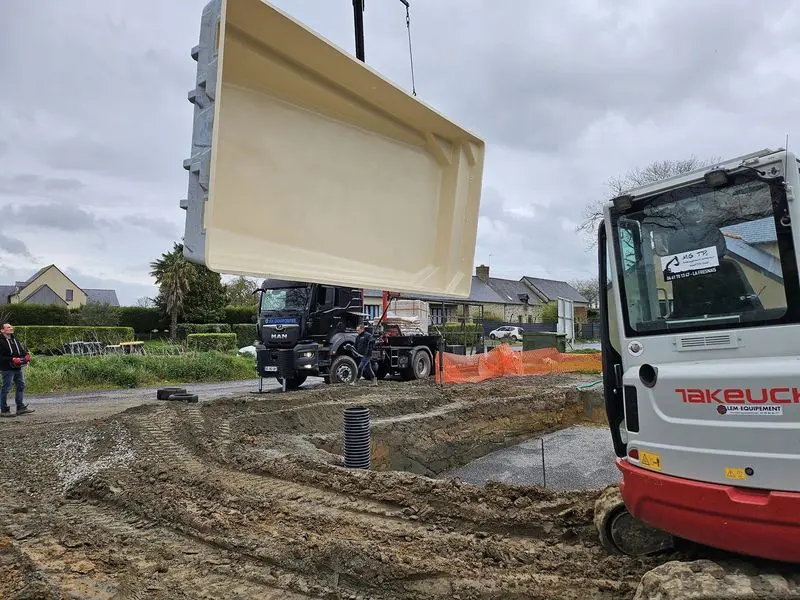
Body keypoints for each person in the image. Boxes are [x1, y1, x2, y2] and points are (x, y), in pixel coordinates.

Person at [0, 323, 33, 417]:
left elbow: (21, 351)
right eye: (8, 327)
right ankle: (4, 410)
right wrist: (12, 359)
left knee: (21, 385)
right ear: (2, 330)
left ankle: (20, 408)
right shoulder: (1, 342)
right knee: (6, 388)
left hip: (18, 367)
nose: (11, 328)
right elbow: (1, 357)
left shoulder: (15, 340)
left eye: (11, 326)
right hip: (7, 368)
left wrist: (26, 355)